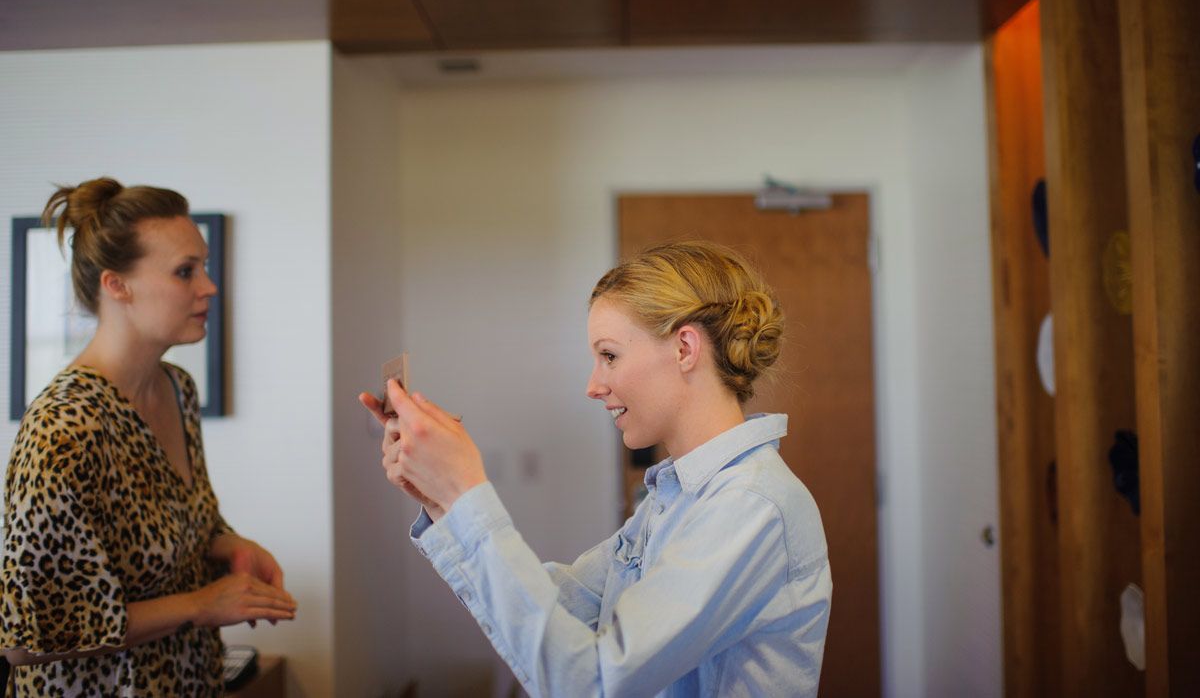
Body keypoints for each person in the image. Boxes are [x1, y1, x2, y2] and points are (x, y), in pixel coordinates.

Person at [360, 240, 831, 697]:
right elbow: (565, 609)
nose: (593, 385)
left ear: (685, 348)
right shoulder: (676, 497)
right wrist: (444, 503)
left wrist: (467, 492)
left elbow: (594, 682)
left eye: (609, 355)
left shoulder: (749, 505)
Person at [1, 178, 297, 696]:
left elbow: (190, 524)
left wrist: (229, 545)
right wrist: (204, 605)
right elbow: (27, 639)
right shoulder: (64, 428)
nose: (208, 286)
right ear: (117, 285)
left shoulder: (178, 390)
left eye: (203, 267)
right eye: (186, 271)